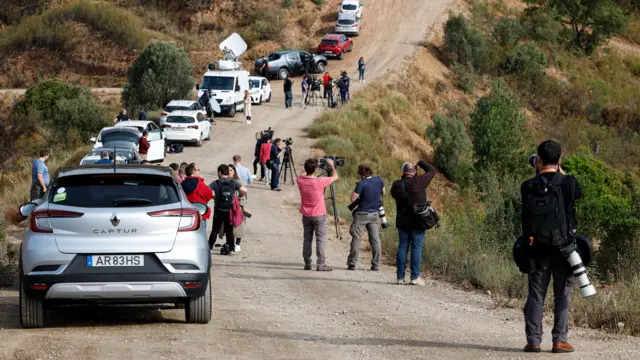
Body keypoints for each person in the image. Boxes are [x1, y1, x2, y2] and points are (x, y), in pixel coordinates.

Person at [520, 140, 582, 354]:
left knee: (536, 295)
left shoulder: (527, 186)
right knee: (562, 294)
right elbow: (578, 195)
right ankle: (559, 340)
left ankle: (534, 341)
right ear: (559, 160)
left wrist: (538, 173)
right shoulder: (569, 183)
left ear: (538, 160)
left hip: (536, 248)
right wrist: (562, 173)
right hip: (564, 249)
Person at [390, 159, 436, 285]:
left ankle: (400, 277)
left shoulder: (396, 185)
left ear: (403, 172)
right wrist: (420, 162)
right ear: (414, 172)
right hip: (418, 221)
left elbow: (394, 195)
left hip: (402, 221)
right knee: (416, 248)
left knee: (403, 247)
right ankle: (415, 277)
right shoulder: (420, 182)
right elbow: (432, 170)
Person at [297, 158, 339, 271]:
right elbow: (335, 177)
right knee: (320, 239)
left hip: (306, 214)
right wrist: (332, 166)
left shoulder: (300, 180)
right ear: (315, 169)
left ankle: (307, 263)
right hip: (319, 214)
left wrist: (313, 166)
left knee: (307, 239)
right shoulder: (319, 181)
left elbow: (303, 173)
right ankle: (321, 264)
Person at [347, 164, 385, 271]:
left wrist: (360, 193)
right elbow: (384, 192)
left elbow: (352, 199)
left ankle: (352, 264)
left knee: (357, 238)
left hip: (362, 214)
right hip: (374, 214)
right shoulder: (379, 180)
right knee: (375, 240)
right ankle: (376, 265)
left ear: (362, 174)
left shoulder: (361, 184)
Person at [208, 164, 247, 254]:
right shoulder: (233, 182)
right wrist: (239, 196)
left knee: (215, 230)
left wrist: (214, 197)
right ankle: (231, 249)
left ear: (220, 172)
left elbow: (206, 190)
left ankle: (209, 247)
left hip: (219, 210)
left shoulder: (216, 183)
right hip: (230, 210)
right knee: (229, 230)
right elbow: (244, 190)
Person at [182, 164, 213, 229]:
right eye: (198, 170)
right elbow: (209, 195)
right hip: (200, 214)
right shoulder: (199, 183)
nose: (199, 171)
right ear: (193, 171)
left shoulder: (182, 183)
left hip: (187, 214)